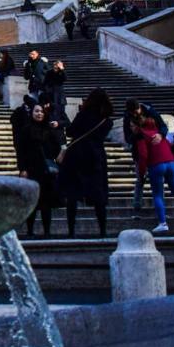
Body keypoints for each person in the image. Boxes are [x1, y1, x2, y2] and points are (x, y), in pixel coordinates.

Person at [58, 89, 114, 238]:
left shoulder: (83, 114)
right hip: (96, 156)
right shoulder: (107, 121)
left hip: (76, 155)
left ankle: (71, 231)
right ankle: (102, 230)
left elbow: (70, 132)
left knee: (72, 194)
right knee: (98, 196)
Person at [134, 111, 174, 235]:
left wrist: (142, 172)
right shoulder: (159, 132)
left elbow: (143, 155)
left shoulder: (141, 135)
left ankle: (162, 222)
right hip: (170, 162)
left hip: (155, 164)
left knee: (158, 194)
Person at [16, 103, 65, 237]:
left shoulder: (49, 130)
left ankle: (47, 231)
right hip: (31, 169)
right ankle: (30, 231)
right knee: (31, 203)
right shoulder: (26, 130)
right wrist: (22, 169)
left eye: (42, 112)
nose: (39, 114)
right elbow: (21, 151)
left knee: (46, 203)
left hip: (46, 171)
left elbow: (56, 149)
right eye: (37, 111)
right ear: (32, 113)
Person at [123, 100, 167, 215]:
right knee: (140, 179)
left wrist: (160, 134)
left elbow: (163, 126)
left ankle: (161, 207)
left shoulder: (150, 111)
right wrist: (137, 134)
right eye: (132, 113)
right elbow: (127, 137)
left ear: (139, 108)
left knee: (158, 180)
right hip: (139, 150)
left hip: (155, 150)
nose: (134, 115)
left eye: (135, 112)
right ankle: (137, 206)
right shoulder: (128, 116)